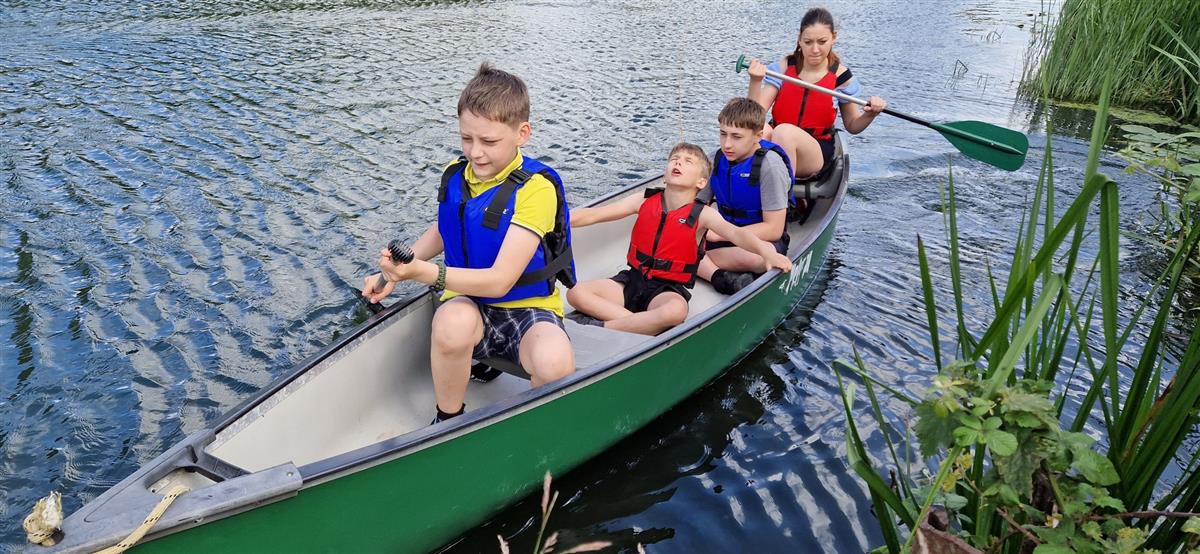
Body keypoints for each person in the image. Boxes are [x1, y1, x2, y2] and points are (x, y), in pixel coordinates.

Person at [362, 63, 576, 424]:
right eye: (466, 139)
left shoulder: (536, 190)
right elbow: (446, 229)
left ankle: (532, 429)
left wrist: (424, 273)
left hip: (528, 309)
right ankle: (448, 420)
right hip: (469, 304)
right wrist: (394, 273)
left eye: (489, 142)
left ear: (522, 134)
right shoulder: (457, 173)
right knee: (451, 323)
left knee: (555, 363)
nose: (475, 153)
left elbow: (500, 281)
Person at [565, 143, 792, 336]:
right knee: (575, 293)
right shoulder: (644, 200)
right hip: (632, 280)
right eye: (675, 159)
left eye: (688, 161)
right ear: (665, 174)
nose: (678, 163)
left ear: (701, 182)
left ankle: (605, 327)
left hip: (665, 290)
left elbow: (736, 234)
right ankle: (640, 324)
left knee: (676, 311)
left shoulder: (703, 214)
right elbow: (595, 215)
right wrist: (558, 218)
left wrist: (767, 253)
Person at [746, 7, 888, 179]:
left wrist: (870, 114)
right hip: (777, 140)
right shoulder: (783, 68)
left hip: (815, 151)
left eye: (822, 42)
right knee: (757, 129)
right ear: (799, 40)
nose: (815, 50)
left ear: (833, 38)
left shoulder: (841, 77)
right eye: (808, 42)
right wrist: (755, 81)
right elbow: (753, 117)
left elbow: (852, 125)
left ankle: (783, 192)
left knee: (784, 132)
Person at [699, 97, 795, 295]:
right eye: (723, 134)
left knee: (758, 259)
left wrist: (720, 233)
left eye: (736, 137)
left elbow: (774, 229)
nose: (727, 144)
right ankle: (721, 277)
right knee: (677, 241)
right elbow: (696, 204)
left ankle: (705, 266)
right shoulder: (716, 159)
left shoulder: (770, 166)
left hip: (759, 240)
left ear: (758, 136)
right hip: (723, 235)